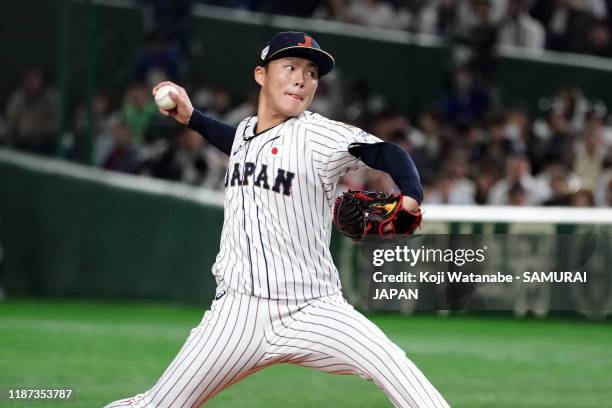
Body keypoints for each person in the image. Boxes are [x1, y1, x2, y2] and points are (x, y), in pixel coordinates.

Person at [105, 31, 449, 408]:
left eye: (312, 73)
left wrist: (411, 198)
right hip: (237, 313)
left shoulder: (319, 136)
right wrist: (192, 118)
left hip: (314, 308)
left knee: (394, 368)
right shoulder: (246, 133)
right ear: (261, 75)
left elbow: (389, 153)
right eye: (290, 67)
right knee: (158, 405)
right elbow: (237, 141)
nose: (302, 79)